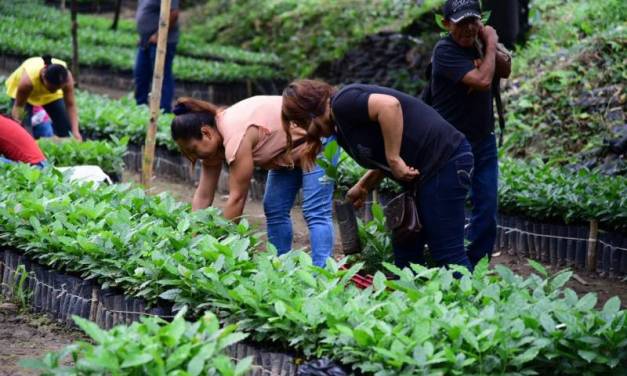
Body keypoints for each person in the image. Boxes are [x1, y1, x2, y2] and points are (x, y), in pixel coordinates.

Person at [281, 80, 475, 271]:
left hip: (445, 161)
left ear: (309, 115)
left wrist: (394, 159)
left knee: (447, 253)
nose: (304, 130)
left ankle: (470, 298)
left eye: (300, 123)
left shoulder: (342, 102)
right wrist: (364, 185)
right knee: (406, 247)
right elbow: (382, 151)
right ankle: (414, 300)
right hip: (423, 175)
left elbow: (389, 106)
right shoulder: (341, 129)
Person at [170, 96, 335, 267]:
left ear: (206, 133)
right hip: (288, 151)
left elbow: (237, 198)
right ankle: (280, 268)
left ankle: (323, 275)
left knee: (315, 211)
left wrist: (220, 248)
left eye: (193, 149)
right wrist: (193, 237)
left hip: (318, 137)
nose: (194, 156)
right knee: (274, 208)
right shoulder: (214, 143)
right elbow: (203, 196)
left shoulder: (236, 136)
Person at [430, 0, 512, 268]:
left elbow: (505, 69)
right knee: (449, 208)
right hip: (452, 143)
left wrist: (490, 42)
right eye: (461, 22)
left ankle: (475, 268)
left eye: (473, 21)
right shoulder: (444, 51)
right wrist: (490, 42)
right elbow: (482, 81)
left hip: (483, 140)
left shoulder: (480, 43)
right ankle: (448, 265)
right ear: (446, 24)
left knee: (487, 209)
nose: (468, 28)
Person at [5, 55, 82, 140]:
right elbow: (19, 106)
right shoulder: (27, 82)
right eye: (52, 88)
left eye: (58, 89)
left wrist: (75, 131)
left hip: (50, 97)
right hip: (25, 97)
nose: (55, 91)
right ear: (43, 76)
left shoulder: (66, 79)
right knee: (26, 135)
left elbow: (70, 105)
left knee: (67, 131)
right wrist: (18, 124)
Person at [135, 0, 179, 112]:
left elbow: (173, 13)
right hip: (145, 41)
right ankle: (140, 107)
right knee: (140, 74)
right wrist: (143, 35)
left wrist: (158, 35)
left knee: (161, 75)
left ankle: (163, 110)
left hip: (162, 42)